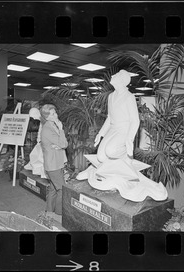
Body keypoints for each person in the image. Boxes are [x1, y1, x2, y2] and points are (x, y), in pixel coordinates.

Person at [77, 69, 168, 202]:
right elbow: (109, 118)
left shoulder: (129, 96)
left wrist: (129, 140)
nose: (112, 76)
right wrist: (101, 133)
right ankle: (107, 169)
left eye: (116, 75)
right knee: (101, 157)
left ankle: (125, 159)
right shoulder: (111, 96)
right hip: (113, 129)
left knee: (111, 151)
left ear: (121, 81)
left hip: (124, 130)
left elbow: (135, 120)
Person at [40, 104, 68, 217]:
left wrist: (59, 146)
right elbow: (64, 143)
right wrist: (61, 129)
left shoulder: (51, 125)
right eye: (52, 114)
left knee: (53, 189)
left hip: (55, 162)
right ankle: (59, 214)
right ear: (47, 117)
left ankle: (50, 211)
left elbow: (61, 144)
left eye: (55, 112)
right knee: (62, 189)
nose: (56, 115)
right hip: (53, 165)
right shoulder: (48, 129)